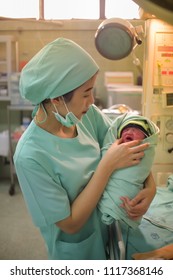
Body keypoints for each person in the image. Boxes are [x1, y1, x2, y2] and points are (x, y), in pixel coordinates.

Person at [14, 37, 156, 260]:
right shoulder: (30, 156)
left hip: (109, 230)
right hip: (77, 252)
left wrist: (151, 186)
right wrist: (107, 165)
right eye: (85, 93)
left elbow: (126, 146)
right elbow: (69, 224)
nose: (92, 101)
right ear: (57, 99)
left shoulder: (87, 116)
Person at [98, 114, 159, 229]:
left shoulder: (95, 116)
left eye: (135, 129)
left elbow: (141, 168)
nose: (129, 131)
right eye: (125, 129)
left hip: (129, 200)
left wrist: (151, 187)